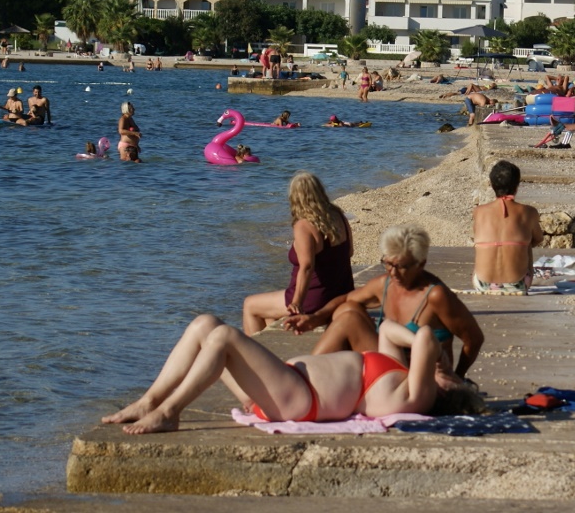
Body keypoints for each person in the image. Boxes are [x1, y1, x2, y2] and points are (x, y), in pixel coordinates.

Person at [101, 315, 440, 434]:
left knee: (224, 337)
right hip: (278, 389)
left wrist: (435, 357)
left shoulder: (414, 397)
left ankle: (169, 411)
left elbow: (426, 336)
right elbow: (388, 329)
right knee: (205, 324)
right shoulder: (400, 373)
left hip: (299, 399)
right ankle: (150, 401)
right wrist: (416, 354)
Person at [282, 225, 485, 380]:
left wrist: (458, 377)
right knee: (348, 308)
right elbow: (345, 298)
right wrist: (314, 319)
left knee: (349, 320)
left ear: (421, 263)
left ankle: (301, 379)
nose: (393, 272)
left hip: (418, 379)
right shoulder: (385, 284)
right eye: (388, 264)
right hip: (390, 366)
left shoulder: (435, 296)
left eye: (401, 266)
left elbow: (474, 339)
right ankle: (309, 378)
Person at [242, 172, 355, 335]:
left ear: (295, 197)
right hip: (341, 292)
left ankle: (252, 352)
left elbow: (307, 267)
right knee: (268, 316)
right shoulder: (338, 215)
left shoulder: (304, 225)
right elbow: (349, 252)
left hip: (315, 298)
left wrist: (297, 302)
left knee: (250, 305)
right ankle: (272, 347)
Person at [472, 161, 543, 295]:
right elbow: (538, 239)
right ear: (517, 186)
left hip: (482, 283)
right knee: (526, 243)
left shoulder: (478, 212)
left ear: (492, 185)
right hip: (518, 284)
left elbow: (476, 236)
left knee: (483, 244)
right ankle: (518, 277)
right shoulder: (529, 212)